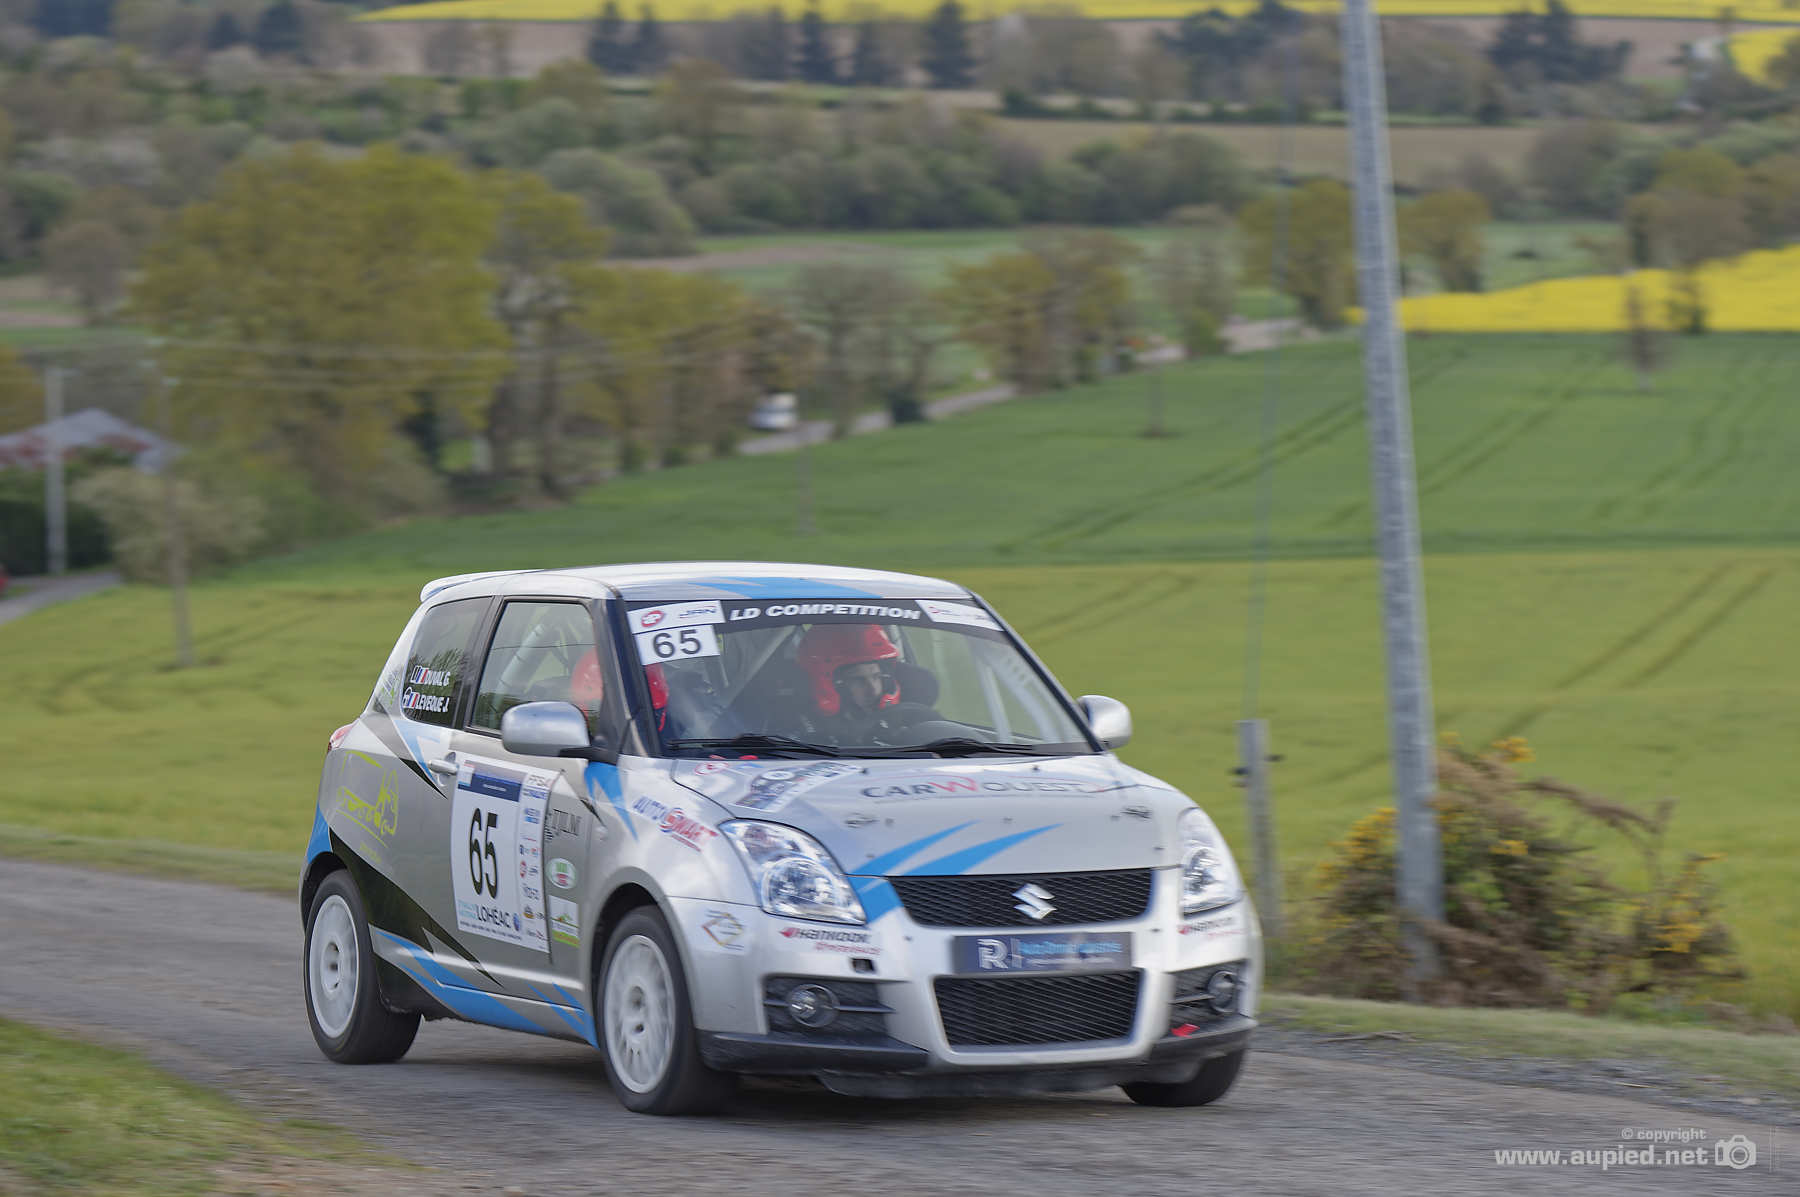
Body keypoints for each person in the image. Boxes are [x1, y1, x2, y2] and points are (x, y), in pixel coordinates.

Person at [793, 623, 918, 745]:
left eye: (876, 677)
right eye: (859, 680)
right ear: (833, 685)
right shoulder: (803, 735)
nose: (873, 690)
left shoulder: (905, 720)